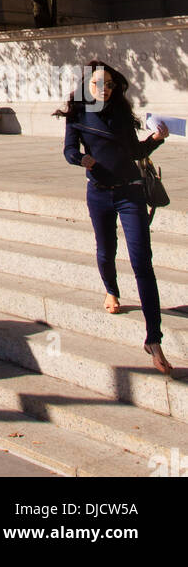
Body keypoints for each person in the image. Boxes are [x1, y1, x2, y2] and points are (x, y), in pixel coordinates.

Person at [56, 59, 173, 376]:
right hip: (99, 193)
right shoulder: (79, 116)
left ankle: (154, 339)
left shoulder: (122, 114)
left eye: (109, 84)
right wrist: (82, 159)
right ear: (86, 87)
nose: (105, 89)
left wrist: (156, 139)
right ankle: (111, 289)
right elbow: (68, 150)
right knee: (106, 250)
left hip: (130, 192)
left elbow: (135, 153)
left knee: (142, 262)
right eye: (98, 85)